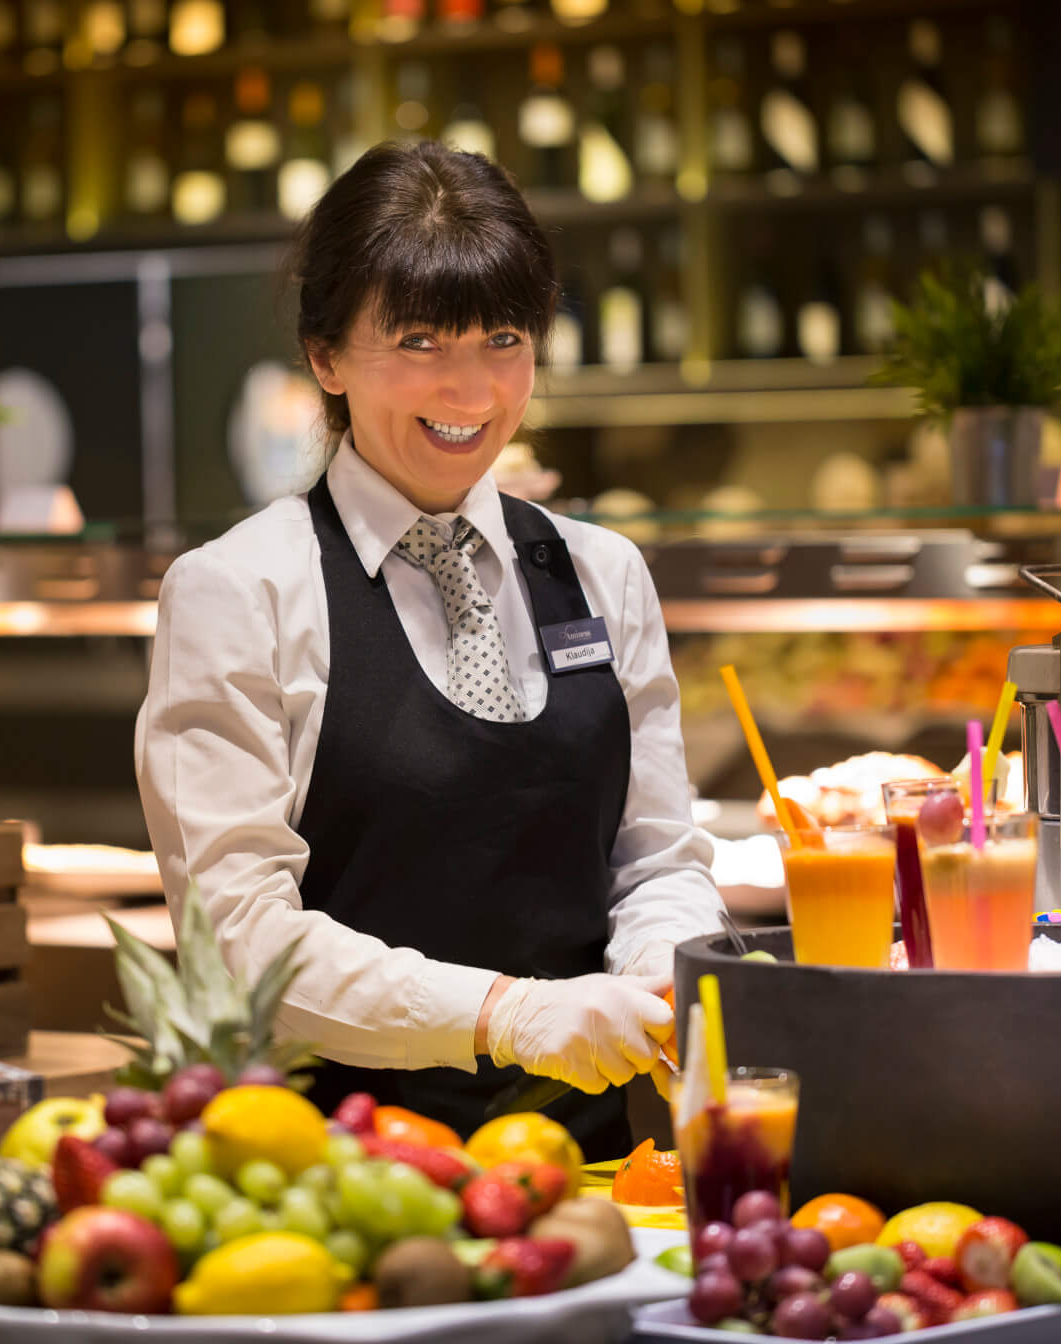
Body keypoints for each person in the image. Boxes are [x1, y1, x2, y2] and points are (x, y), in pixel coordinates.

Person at [134, 140, 724, 1160]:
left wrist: (658, 974)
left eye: (504, 338)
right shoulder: (239, 590)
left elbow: (657, 857)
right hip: (329, 1179)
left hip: (580, 1176)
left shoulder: (604, 573)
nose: (472, 391)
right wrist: (507, 1014)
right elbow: (238, 937)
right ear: (325, 356)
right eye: (419, 341)